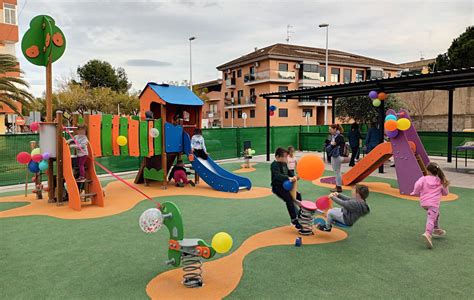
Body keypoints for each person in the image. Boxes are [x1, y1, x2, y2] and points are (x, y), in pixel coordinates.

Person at [410, 162, 449, 249]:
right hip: (433, 204)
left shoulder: (423, 178)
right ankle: (428, 233)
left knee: (436, 214)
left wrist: (415, 192)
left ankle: (436, 228)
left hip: (424, 203)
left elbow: (417, 185)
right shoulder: (440, 181)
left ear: (428, 171)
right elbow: (446, 193)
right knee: (431, 218)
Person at [271, 147, 302, 230]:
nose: (286, 158)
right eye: (284, 157)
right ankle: (294, 220)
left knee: (298, 195)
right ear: (277, 157)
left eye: (286, 157)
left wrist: (294, 176)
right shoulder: (274, 165)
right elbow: (277, 176)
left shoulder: (284, 164)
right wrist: (288, 178)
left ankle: (301, 214)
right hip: (277, 187)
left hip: (286, 186)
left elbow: (289, 172)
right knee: (289, 200)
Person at [325, 124, 347, 193]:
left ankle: (339, 187)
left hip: (337, 155)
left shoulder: (338, 137)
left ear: (335, 129)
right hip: (335, 155)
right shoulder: (335, 136)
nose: (330, 131)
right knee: (337, 171)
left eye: (330, 129)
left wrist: (331, 144)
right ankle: (338, 186)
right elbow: (331, 144)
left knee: (337, 172)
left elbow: (332, 145)